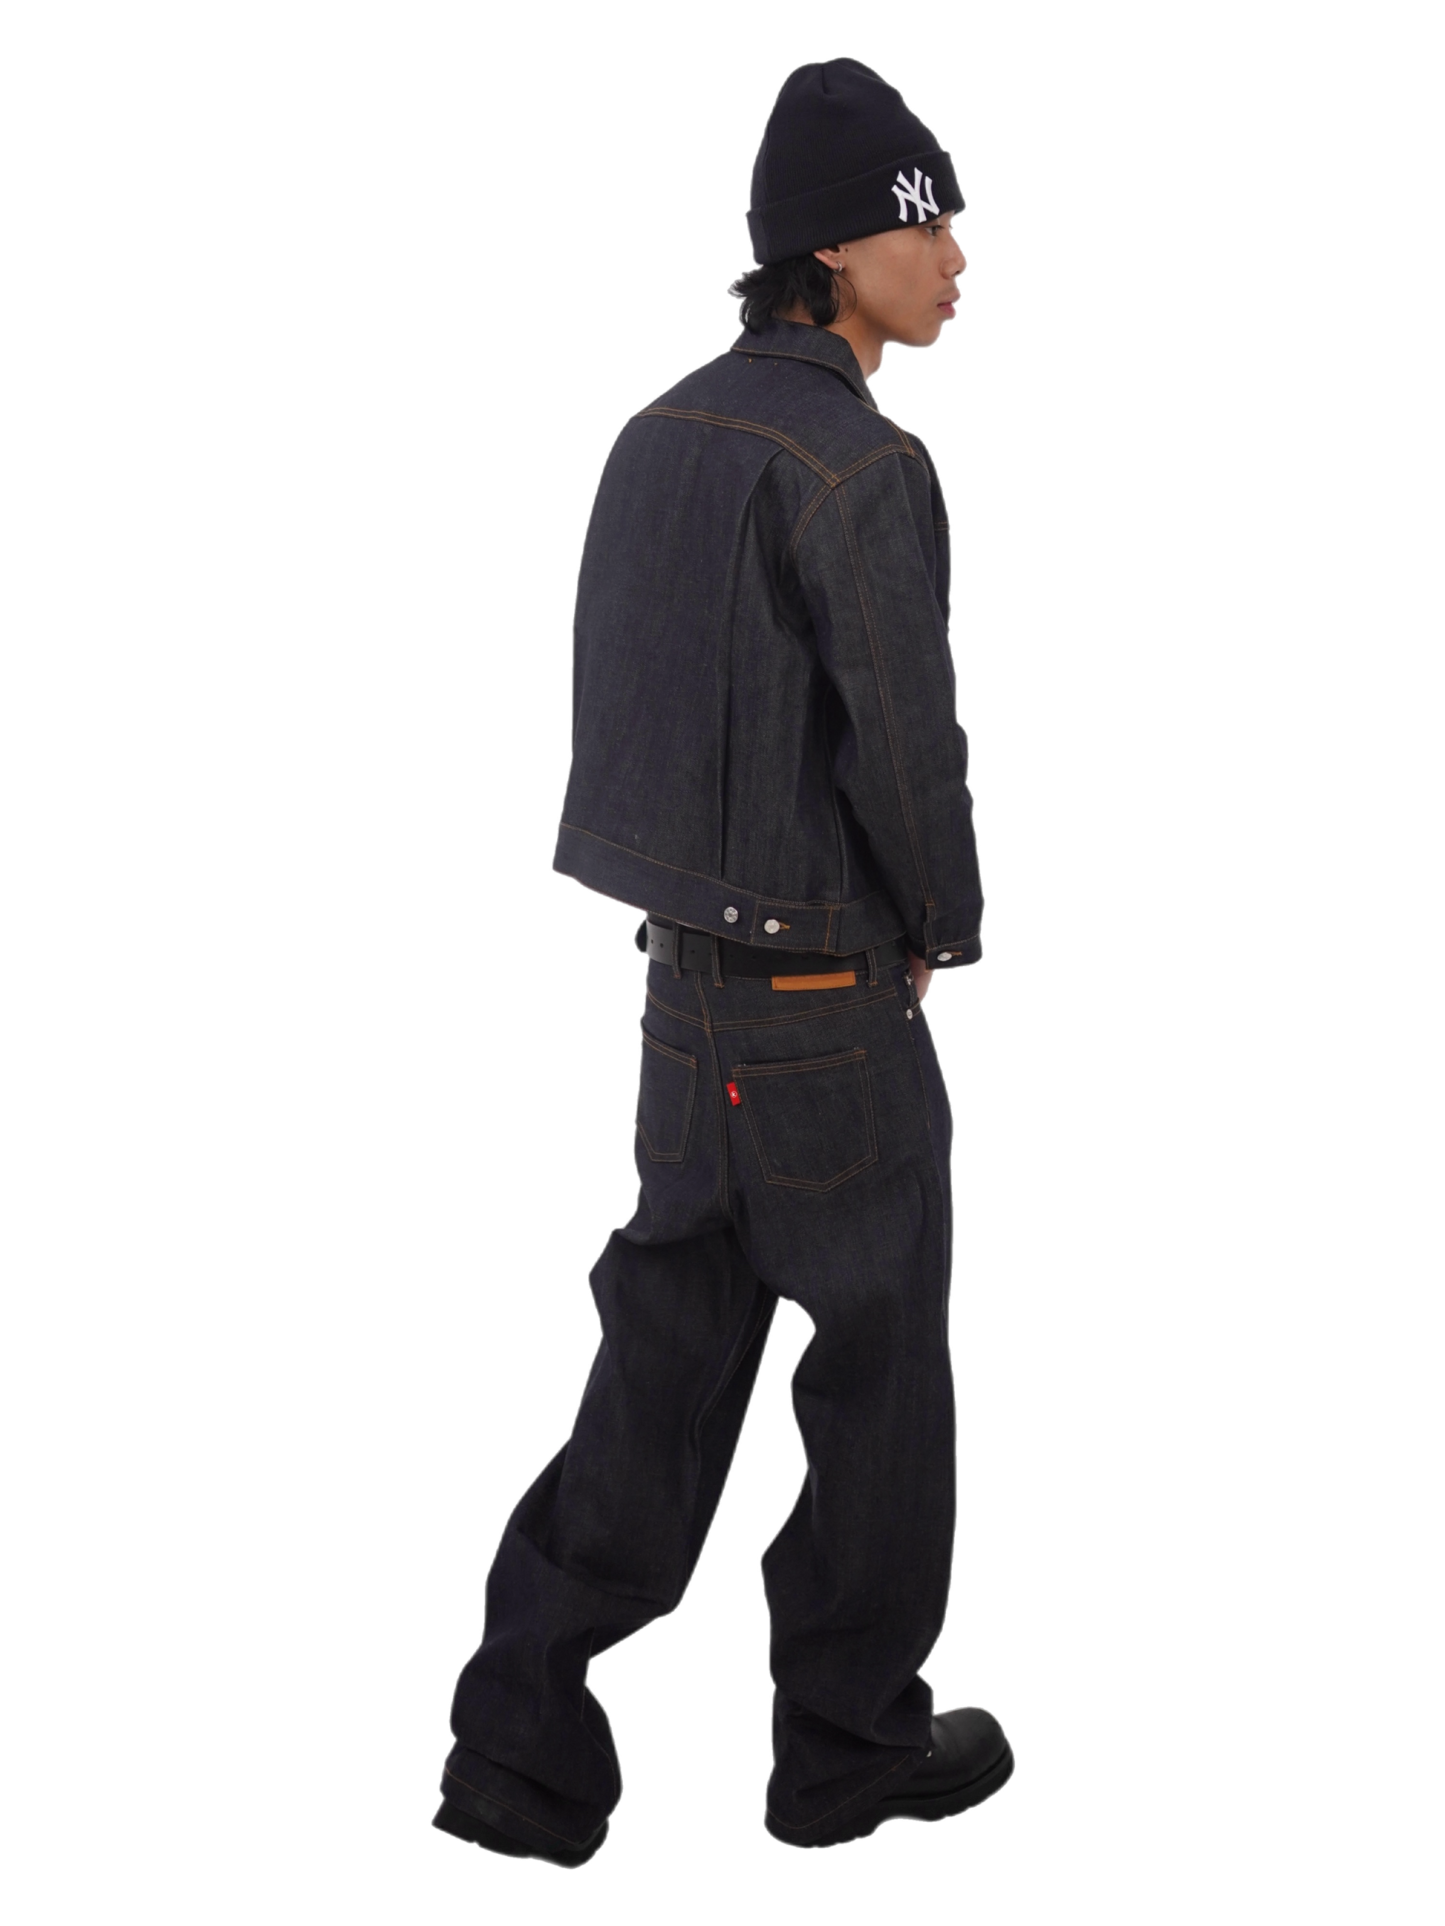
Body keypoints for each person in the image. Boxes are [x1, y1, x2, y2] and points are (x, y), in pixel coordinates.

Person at [433, 60, 1009, 1864]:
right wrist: (941, 927)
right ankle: (849, 1748)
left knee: (657, 1370)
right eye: (929, 226)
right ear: (833, 250)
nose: (960, 258)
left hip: (681, 1009)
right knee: (880, 1386)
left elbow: (629, 719)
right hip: (830, 1012)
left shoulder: (658, 432)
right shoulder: (860, 466)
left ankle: (515, 1746)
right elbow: (905, 747)